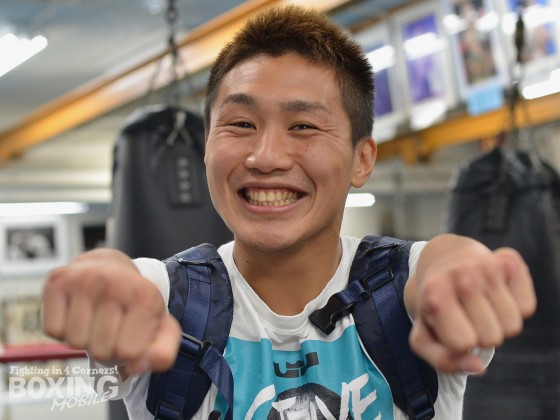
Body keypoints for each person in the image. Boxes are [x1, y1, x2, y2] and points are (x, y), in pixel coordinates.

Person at [41, 5, 536, 419]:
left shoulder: (404, 295)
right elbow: (122, 288)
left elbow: (442, 265)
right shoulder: (168, 301)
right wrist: (99, 281)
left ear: (362, 160)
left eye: (303, 126)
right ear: (206, 146)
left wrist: (462, 269)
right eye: (240, 124)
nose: (266, 157)